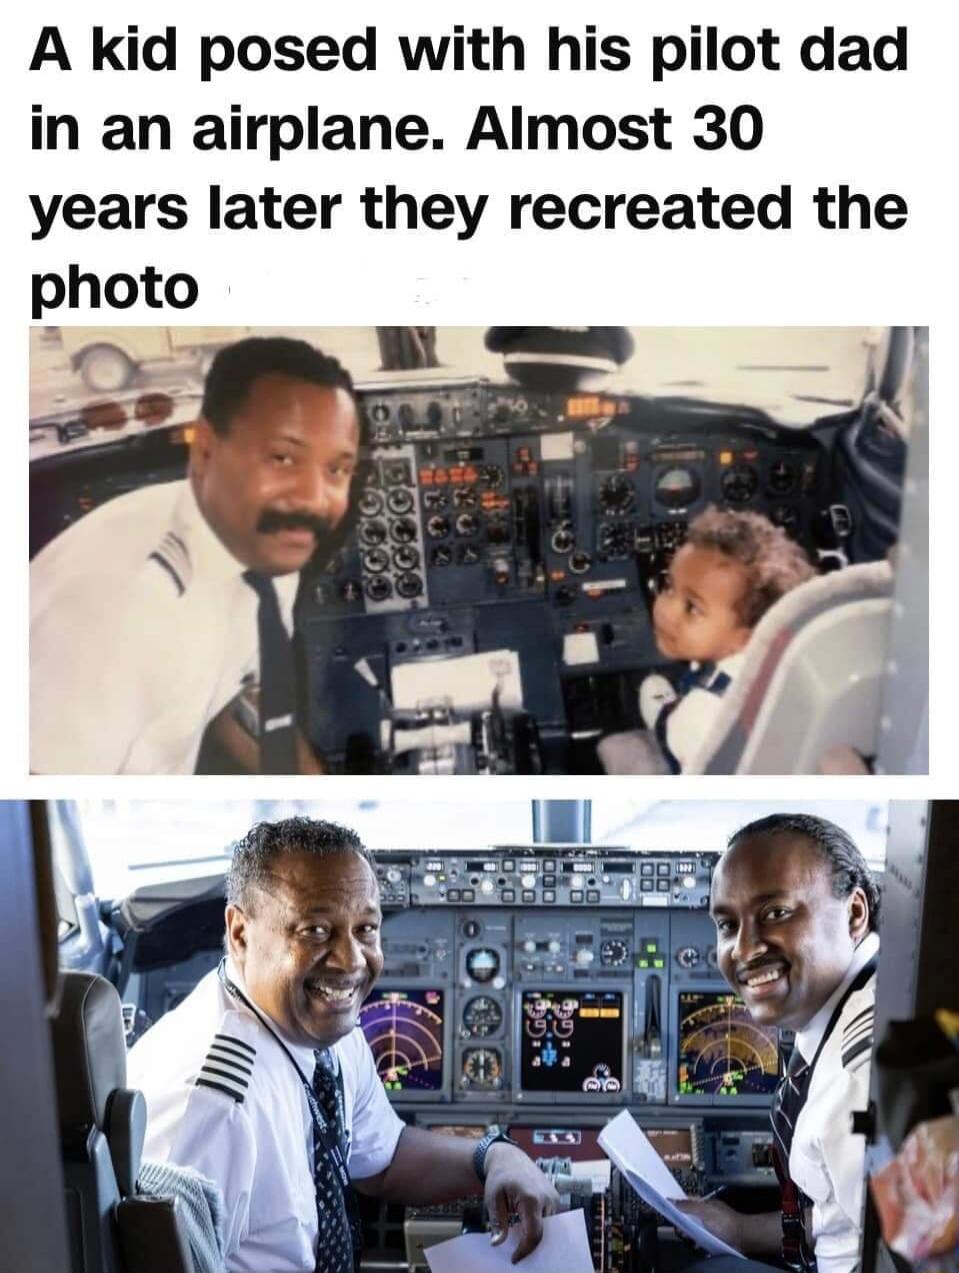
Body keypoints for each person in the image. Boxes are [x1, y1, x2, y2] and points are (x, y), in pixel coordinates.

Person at [127, 818, 557, 1273]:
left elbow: (385, 1160)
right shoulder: (215, 1107)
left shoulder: (324, 1028)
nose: (351, 962)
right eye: (316, 931)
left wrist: (496, 1156)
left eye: (365, 929)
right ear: (240, 933)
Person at [31, 337, 361, 775]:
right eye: (283, 458)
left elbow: (235, 693)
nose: (315, 500)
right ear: (205, 450)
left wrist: (316, 796)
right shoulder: (120, 609)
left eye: (336, 469)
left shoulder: (267, 542)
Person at [678, 813, 882, 1273]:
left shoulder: (859, 1078)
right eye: (728, 925)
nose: (745, 949)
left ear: (854, 913)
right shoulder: (849, 1006)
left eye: (776, 913)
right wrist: (741, 1231)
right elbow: (844, 1215)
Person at [599, 507, 816, 773]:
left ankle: (662, 712)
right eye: (668, 586)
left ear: (748, 636)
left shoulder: (700, 714)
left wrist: (669, 722)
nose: (665, 608)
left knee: (664, 732)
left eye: (693, 607)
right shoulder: (797, 661)